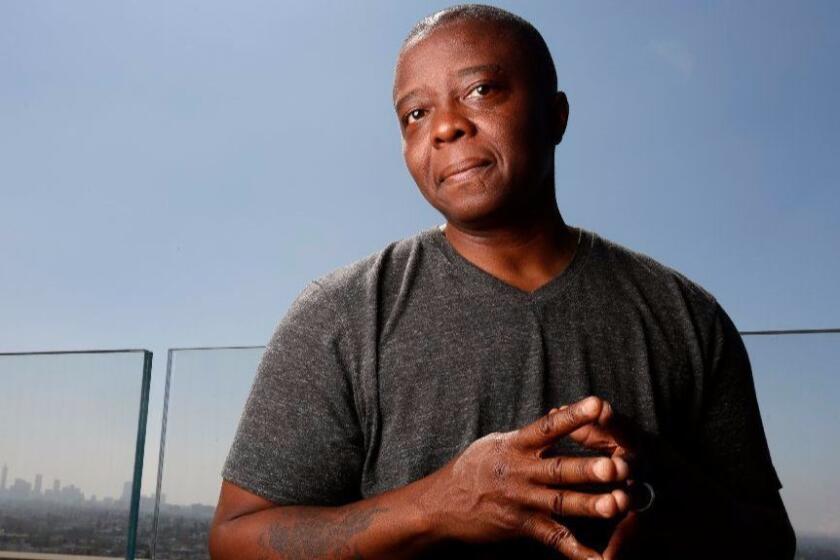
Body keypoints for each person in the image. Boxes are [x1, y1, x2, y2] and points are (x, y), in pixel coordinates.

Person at [208, 5, 795, 559]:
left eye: (480, 91)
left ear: (556, 116)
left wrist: (664, 493)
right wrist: (438, 504)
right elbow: (234, 541)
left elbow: (771, 542)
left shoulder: (686, 316)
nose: (445, 126)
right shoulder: (338, 315)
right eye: (416, 114)